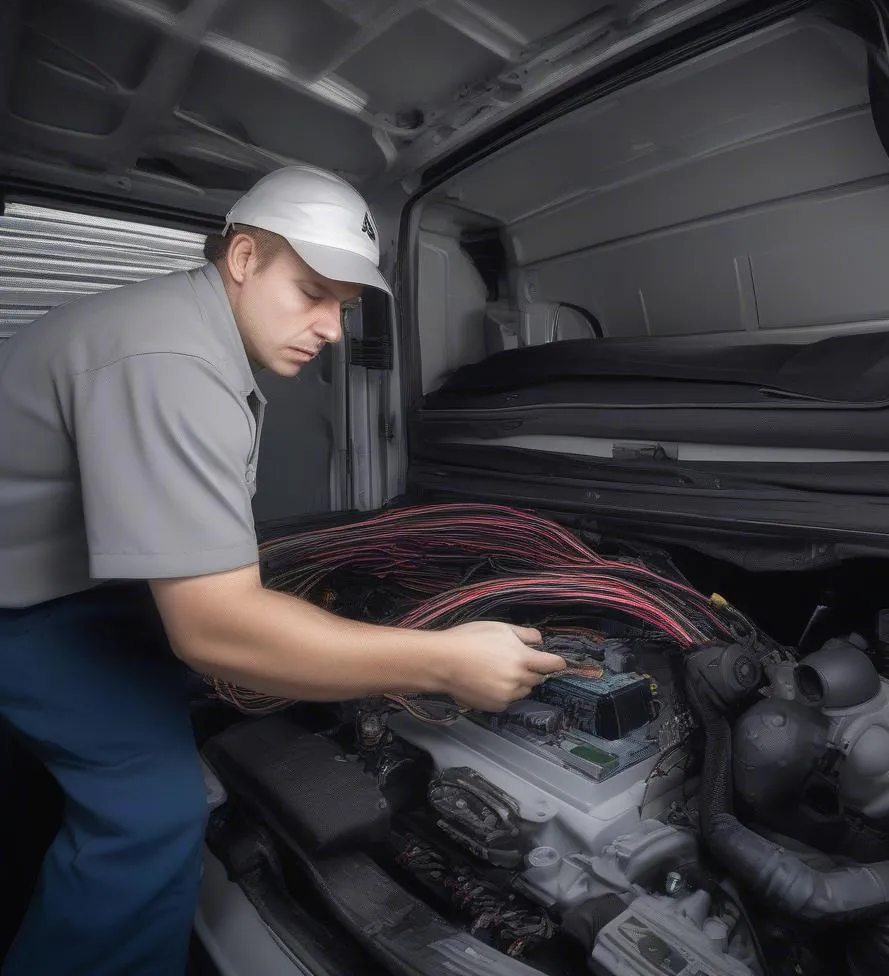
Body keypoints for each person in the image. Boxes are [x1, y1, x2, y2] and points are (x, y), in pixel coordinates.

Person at [0, 165, 567, 975]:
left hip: (67, 582)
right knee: (151, 814)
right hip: (24, 610)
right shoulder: (172, 360)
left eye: (340, 304)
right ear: (241, 259)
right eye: (310, 292)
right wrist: (443, 659)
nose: (330, 327)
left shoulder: (183, 326)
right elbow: (214, 628)